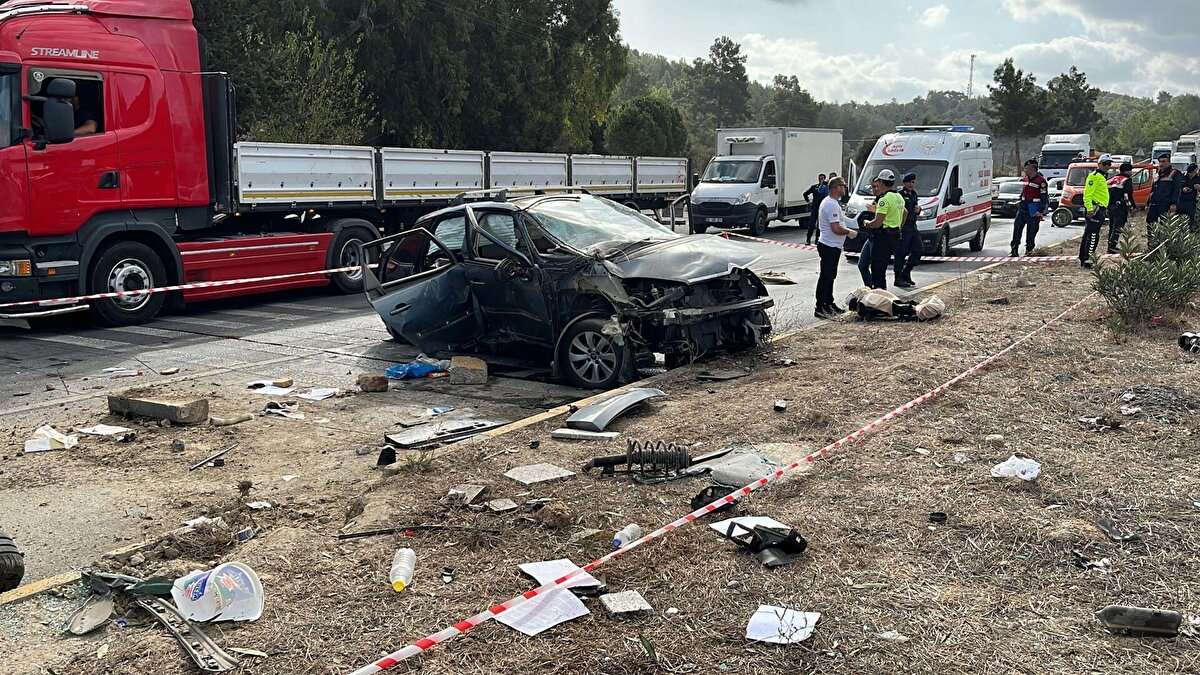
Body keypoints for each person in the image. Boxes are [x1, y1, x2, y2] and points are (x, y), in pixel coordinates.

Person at [814, 177, 857, 318]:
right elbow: (836, 229)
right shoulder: (831, 204)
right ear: (836, 187)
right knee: (826, 276)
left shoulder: (832, 203)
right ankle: (821, 306)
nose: (844, 188)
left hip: (833, 245)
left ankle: (829, 303)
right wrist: (849, 232)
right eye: (843, 186)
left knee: (830, 276)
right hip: (829, 245)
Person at [861, 169, 904, 289]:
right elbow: (904, 213)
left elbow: (877, 223)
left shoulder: (884, 200)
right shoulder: (898, 196)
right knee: (882, 267)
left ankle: (880, 297)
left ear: (881, 182)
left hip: (882, 238)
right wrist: (898, 225)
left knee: (878, 270)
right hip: (894, 235)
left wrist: (866, 223)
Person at [1010, 159, 1049, 257]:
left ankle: (1029, 249)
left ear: (1032, 168)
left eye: (1026, 168)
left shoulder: (1041, 181)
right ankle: (1014, 249)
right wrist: (1020, 200)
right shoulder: (1025, 179)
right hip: (1023, 208)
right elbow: (1024, 192)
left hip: (1033, 209)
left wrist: (1040, 211)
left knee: (1031, 231)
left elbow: (1044, 197)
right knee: (1017, 228)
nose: (1024, 170)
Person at [1079, 154, 1112, 268]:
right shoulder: (1094, 176)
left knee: (1089, 234)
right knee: (1093, 235)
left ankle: (1085, 257)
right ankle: (1088, 259)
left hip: (1100, 209)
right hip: (1095, 209)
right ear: (1098, 164)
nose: (1107, 166)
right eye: (1104, 163)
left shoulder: (1102, 177)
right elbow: (1087, 195)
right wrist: (1089, 209)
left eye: (1109, 164)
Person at [894, 173, 921, 288]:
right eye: (909, 182)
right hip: (904, 227)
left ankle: (907, 272)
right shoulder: (899, 195)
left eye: (913, 182)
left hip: (913, 227)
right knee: (901, 252)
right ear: (904, 183)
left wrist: (919, 210)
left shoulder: (914, 194)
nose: (911, 184)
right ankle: (898, 277)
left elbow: (916, 208)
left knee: (919, 249)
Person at [1106, 161, 1137, 254]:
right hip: (1120, 207)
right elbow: (1127, 196)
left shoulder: (1112, 180)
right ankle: (1112, 247)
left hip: (1110, 206)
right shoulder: (1126, 181)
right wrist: (1132, 208)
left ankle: (1110, 245)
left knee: (1112, 226)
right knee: (1118, 227)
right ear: (1128, 171)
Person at [1146, 152, 1181, 234]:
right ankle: (1152, 244)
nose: (1161, 164)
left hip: (1166, 204)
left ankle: (1165, 245)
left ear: (1169, 162)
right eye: (1160, 161)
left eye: (1164, 161)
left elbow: (1177, 190)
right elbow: (1153, 189)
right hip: (1154, 203)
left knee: (1165, 226)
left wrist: (1174, 203)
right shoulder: (1157, 174)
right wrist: (1148, 203)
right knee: (1150, 223)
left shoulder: (1174, 173)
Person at [803, 174, 829, 245]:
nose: (821, 180)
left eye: (823, 179)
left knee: (819, 225)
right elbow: (805, 194)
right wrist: (808, 201)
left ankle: (817, 239)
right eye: (820, 179)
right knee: (811, 225)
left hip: (822, 209)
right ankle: (808, 239)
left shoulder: (826, 188)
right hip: (814, 208)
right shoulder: (815, 187)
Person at [1180, 163, 1200, 230]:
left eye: (1195, 172)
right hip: (1181, 202)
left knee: (1190, 220)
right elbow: (1177, 188)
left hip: (1191, 202)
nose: (1194, 174)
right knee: (1180, 220)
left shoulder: (1198, 179)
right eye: (1193, 172)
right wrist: (1183, 189)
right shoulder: (1182, 177)